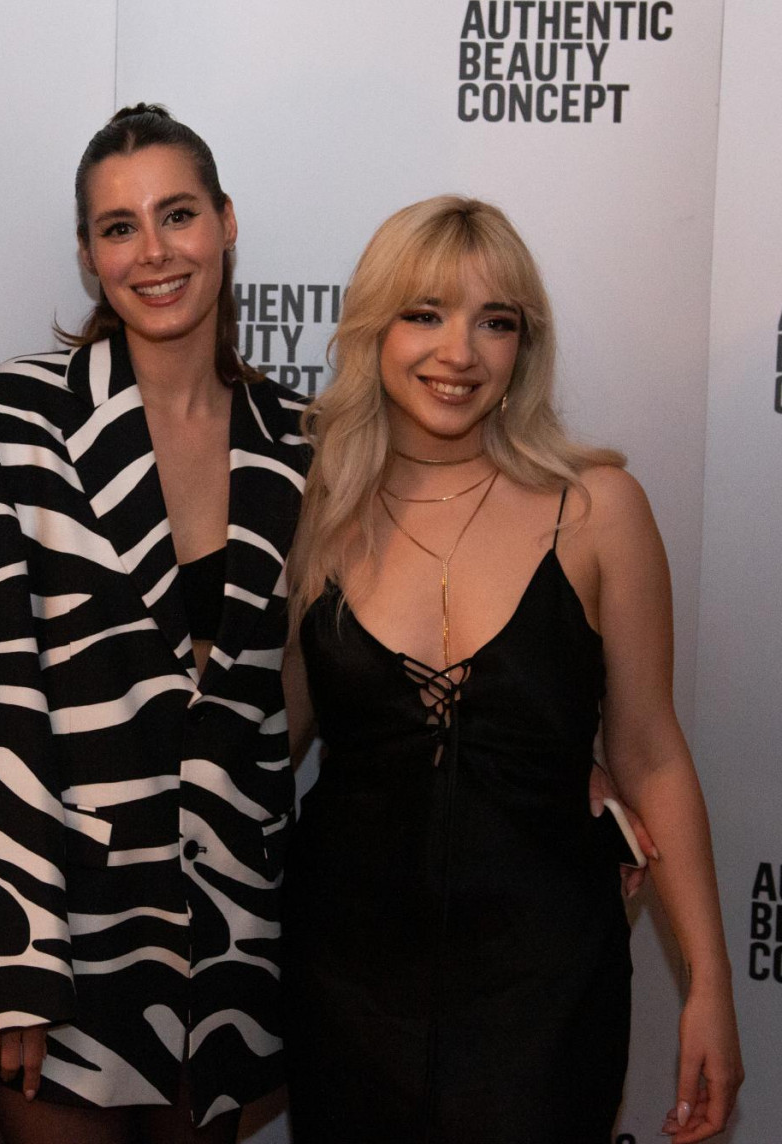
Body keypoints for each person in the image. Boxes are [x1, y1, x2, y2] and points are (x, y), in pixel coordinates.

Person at [282, 195, 743, 1144]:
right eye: (425, 313)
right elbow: (264, 742)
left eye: (495, 321)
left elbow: (651, 751)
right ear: (373, 329)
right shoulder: (313, 508)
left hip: (548, 991)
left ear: (525, 346)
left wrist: (708, 983)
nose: (460, 352)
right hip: (344, 984)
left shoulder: (598, 509)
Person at [0, 104, 308, 1142]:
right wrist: (5, 959)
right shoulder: (11, 425)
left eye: (177, 214)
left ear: (226, 221)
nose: (154, 251)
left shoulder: (299, 446)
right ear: (90, 255)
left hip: (229, 946)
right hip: (60, 947)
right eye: (118, 227)